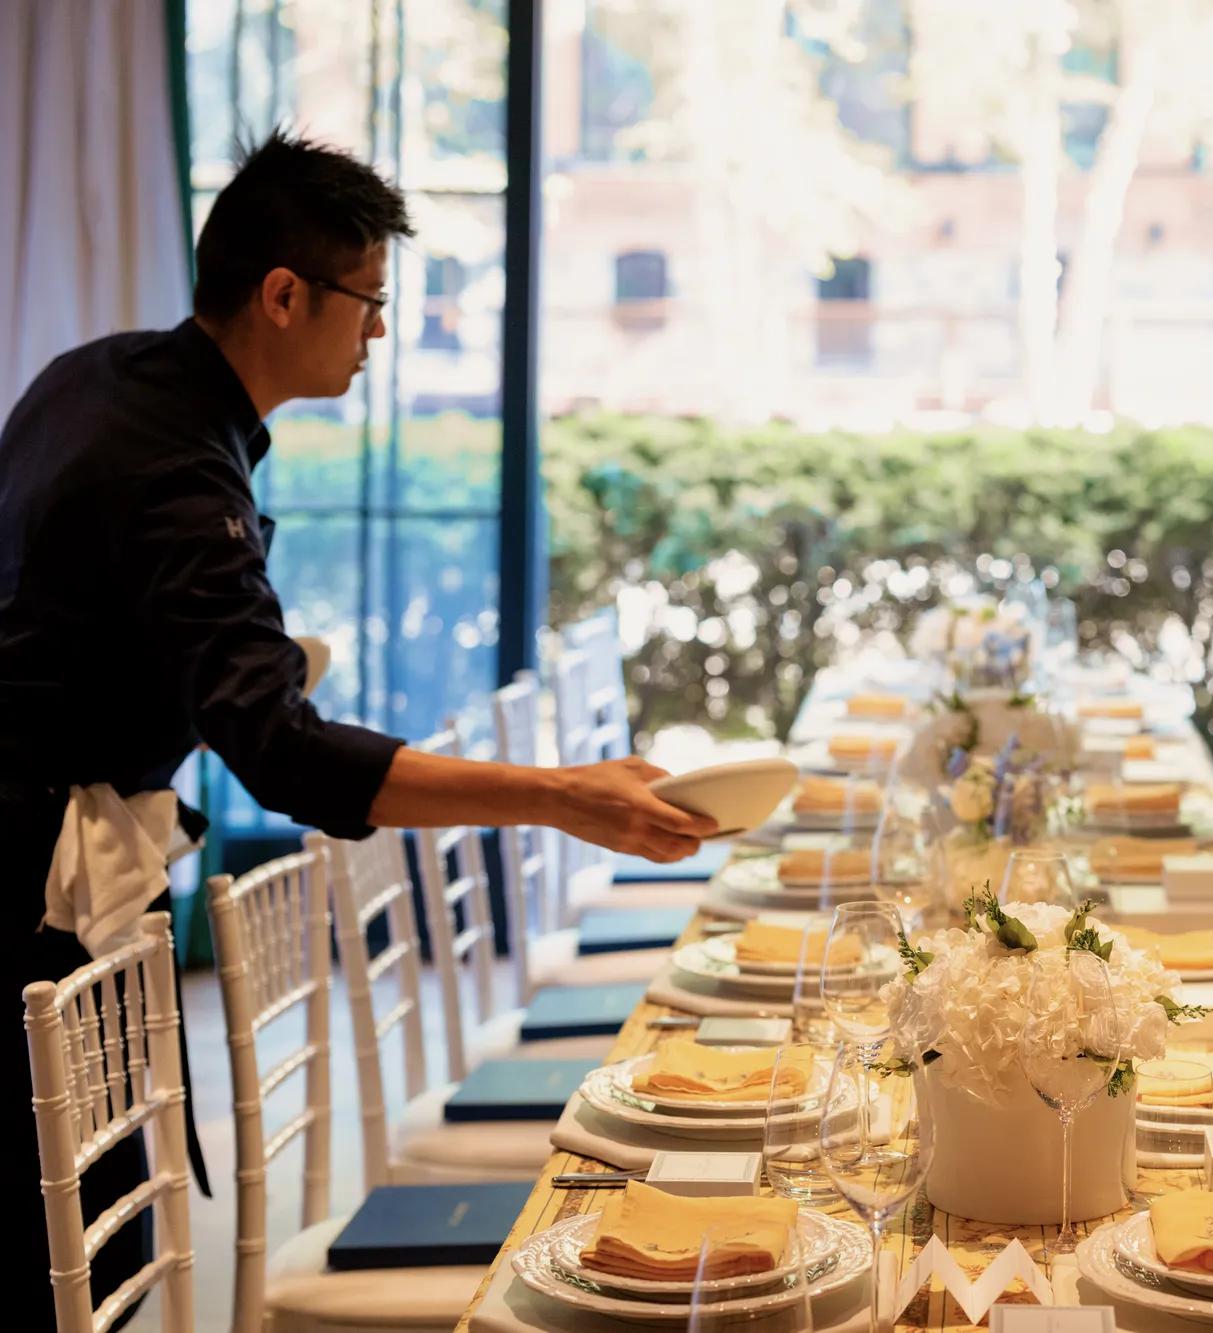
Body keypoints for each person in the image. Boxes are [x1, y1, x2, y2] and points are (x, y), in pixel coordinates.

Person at [0, 132, 715, 1321]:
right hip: (41, 894)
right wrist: (559, 793)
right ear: (285, 295)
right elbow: (279, 750)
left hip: (57, 846)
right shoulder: (171, 461)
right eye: (368, 301)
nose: (378, 333)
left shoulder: (100, 377)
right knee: (80, 1268)